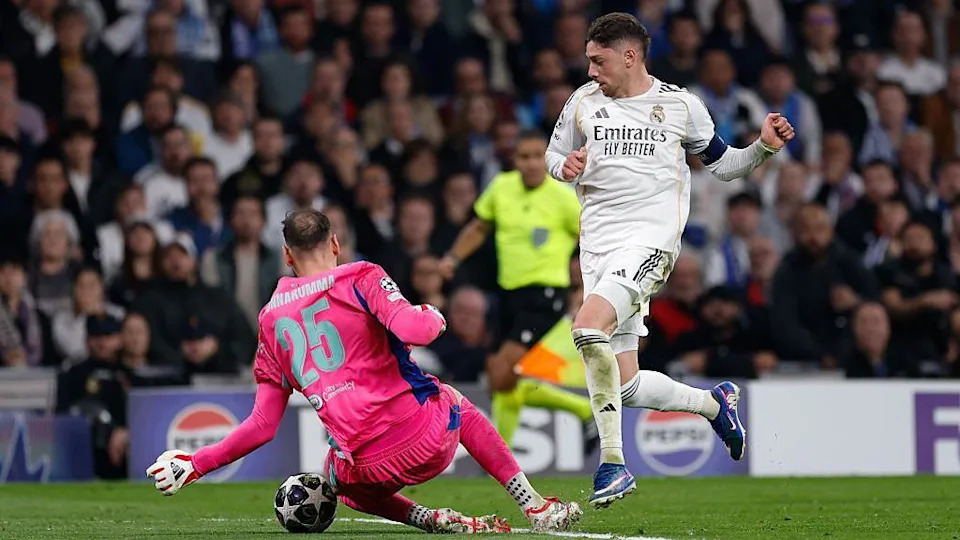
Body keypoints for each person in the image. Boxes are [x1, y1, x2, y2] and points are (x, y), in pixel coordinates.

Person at [145, 209, 581, 534]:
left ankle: (431, 520)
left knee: (337, 480)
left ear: (286, 256)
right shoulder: (361, 275)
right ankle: (535, 507)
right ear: (335, 244)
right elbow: (417, 330)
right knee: (453, 401)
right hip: (426, 438)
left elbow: (262, 425)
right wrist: (434, 313)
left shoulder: (270, 320)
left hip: (367, 468)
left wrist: (195, 464)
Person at [545, 13, 794, 507]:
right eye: (589, 61)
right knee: (626, 383)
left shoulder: (680, 105)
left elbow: (725, 166)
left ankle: (612, 464)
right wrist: (565, 166)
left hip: (650, 243)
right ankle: (712, 403)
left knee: (586, 328)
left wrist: (762, 149)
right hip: (597, 247)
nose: (591, 70)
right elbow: (555, 158)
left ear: (630, 55)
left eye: (599, 61)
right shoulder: (582, 103)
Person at [439, 130, 594, 450]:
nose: (532, 163)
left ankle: (501, 454)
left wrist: (585, 287)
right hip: (509, 296)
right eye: (524, 156)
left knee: (504, 373)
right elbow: (480, 227)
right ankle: (507, 458)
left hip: (545, 294)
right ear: (514, 159)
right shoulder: (501, 188)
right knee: (501, 378)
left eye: (539, 155)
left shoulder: (563, 197)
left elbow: (591, 240)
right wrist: (454, 257)